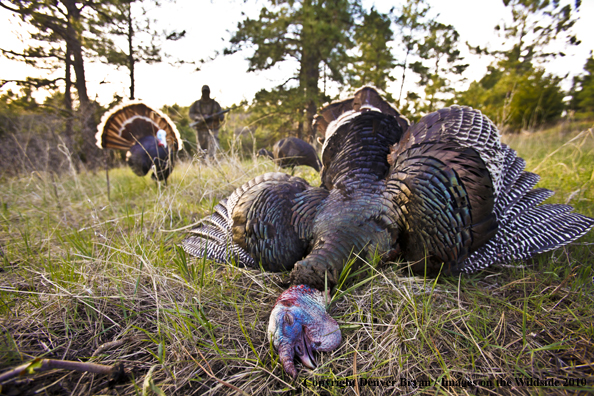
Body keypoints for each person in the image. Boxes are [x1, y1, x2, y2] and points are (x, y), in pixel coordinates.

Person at [189, 85, 225, 157]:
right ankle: (203, 166)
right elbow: (191, 114)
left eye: (207, 92)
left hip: (213, 129)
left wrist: (216, 116)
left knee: (212, 149)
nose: (205, 94)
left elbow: (222, 117)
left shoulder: (215, 104)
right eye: (204, 92)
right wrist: (199, 118)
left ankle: (212, 164)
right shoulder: (197, 104)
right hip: (201, 130)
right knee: (202, 151)